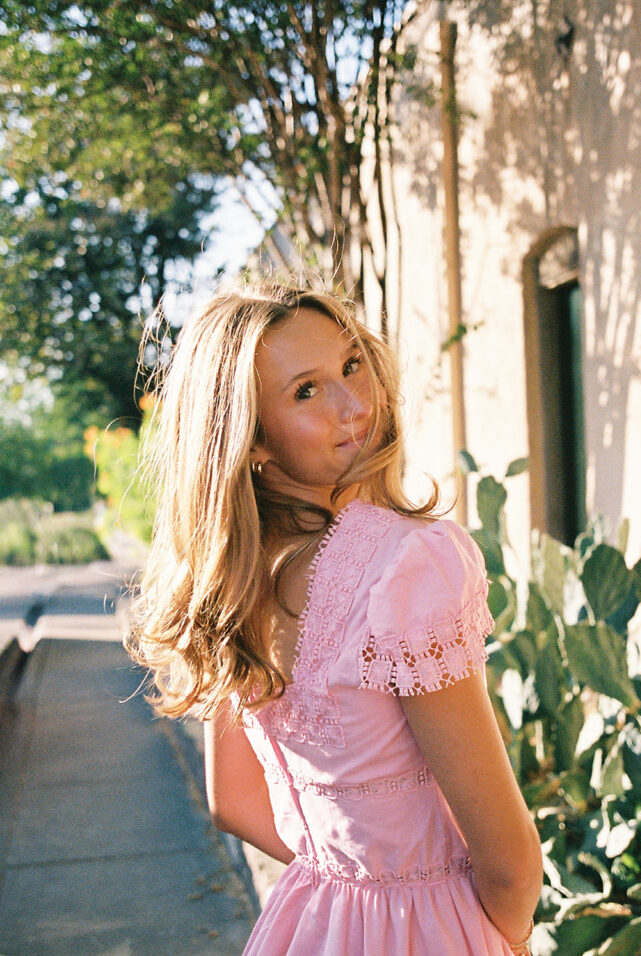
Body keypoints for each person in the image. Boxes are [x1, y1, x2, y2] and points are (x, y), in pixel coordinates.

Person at [127, 277, 543, 955]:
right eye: (306, 391)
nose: (355, 404)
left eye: (351, 364)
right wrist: (508, 939)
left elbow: (235, 802)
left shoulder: (227, 586)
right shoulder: (411, 566)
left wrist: (350, 885)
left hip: (311, 925)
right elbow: (510, 862)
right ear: (251, 439)